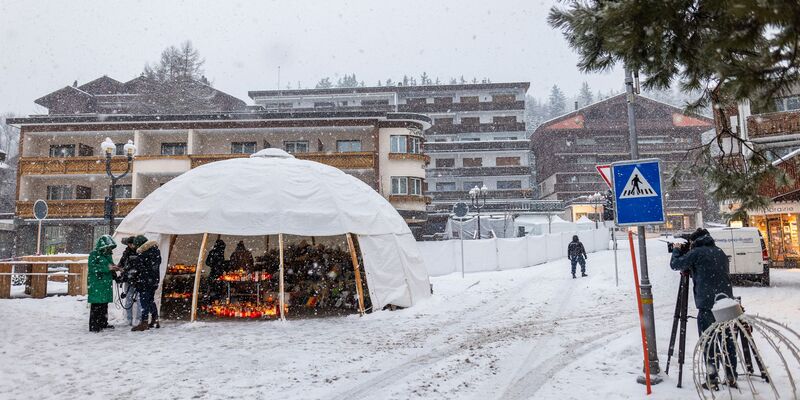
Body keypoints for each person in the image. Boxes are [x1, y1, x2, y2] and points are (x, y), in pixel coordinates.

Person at [671, 228, 737, 389]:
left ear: (695, 242)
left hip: (708, 305)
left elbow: (675, 264)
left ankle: (712, 377)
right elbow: (707, 272)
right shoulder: (719, 252)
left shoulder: (697, 253)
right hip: (726, 302)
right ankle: (731, 376)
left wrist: (677, 250)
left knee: (709, 341)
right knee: (727, 341)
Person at [129, 235, 162, 332]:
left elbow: (140, 270)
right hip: (154, 281)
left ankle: (144, 322)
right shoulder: (156, 252)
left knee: (144, 302)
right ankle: (155, 320)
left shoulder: (143, 254)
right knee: (150, 300)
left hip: (144, 281)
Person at [87, 235, 120, 332]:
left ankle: (103, 323)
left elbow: (111, 265)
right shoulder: (94, 254)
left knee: (104, 304)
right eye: (107, 247)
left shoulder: (108, 255)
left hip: (105, 283)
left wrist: (115, 269)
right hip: (96, 283)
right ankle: (94, 325)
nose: (108, 249)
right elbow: (92, 268)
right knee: (96, 305)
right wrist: (107, 268)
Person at [117, 236, 138, 326]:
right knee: (129, 299)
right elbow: (121, 263)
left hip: (137, 279)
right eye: (129, 244)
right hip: (128, 279)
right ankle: (129, 319)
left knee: (138, 300)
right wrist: (120, 268)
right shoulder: (126, 252)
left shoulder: (139, 252)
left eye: (131, 244)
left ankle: (138, 319)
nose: (130, 245)